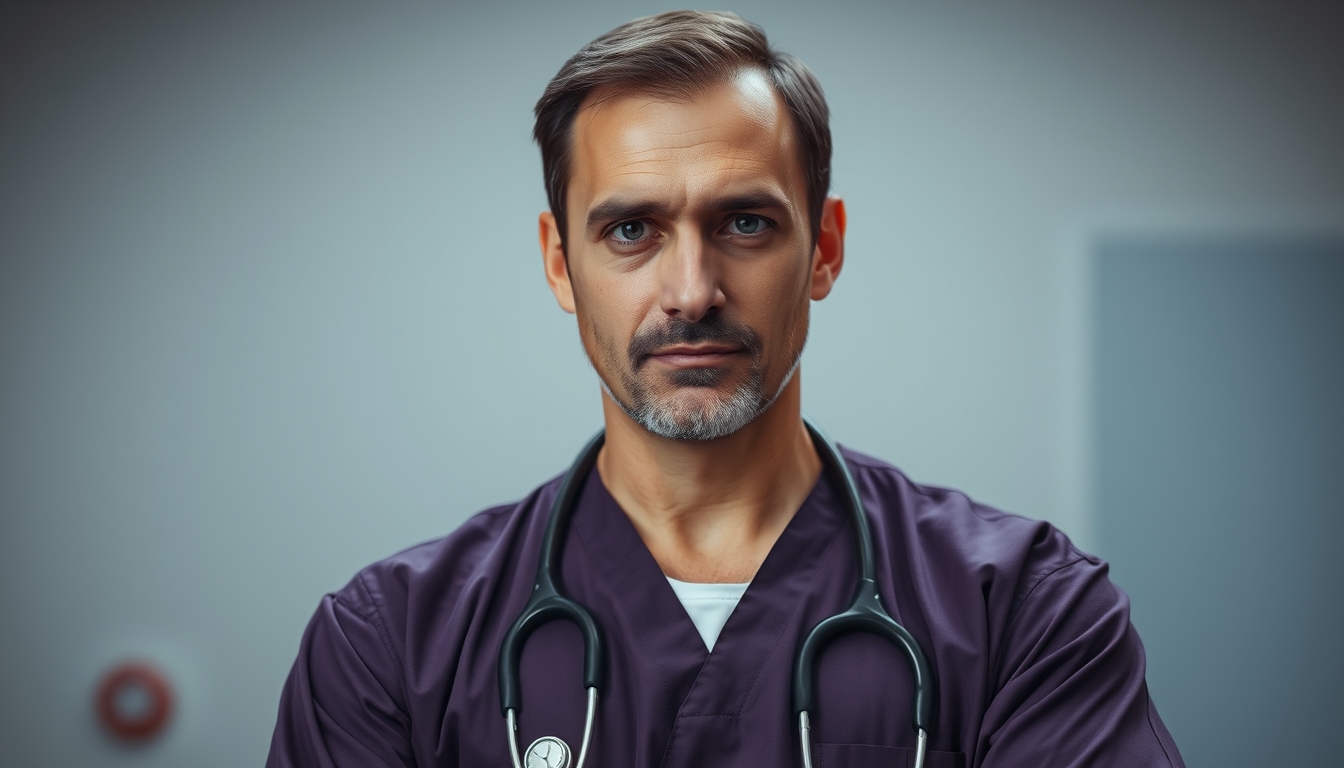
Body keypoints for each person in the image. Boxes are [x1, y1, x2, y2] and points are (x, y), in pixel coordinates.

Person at [267, 11, 1184, 768]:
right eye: (632, 230)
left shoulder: (1024, 610)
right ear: (559, 263)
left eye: (744, 222)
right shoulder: (391, 642)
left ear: (824, 248)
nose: (692, 290)